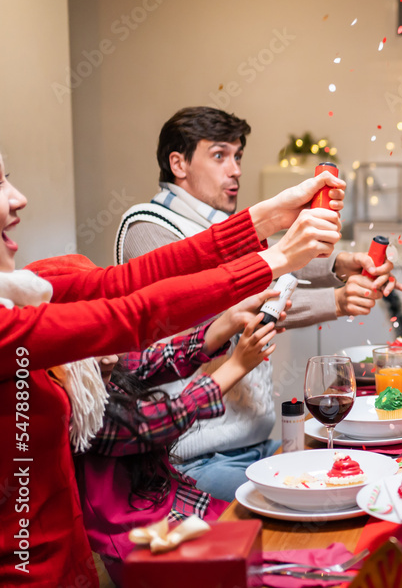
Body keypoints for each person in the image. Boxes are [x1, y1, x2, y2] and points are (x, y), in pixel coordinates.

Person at [0, 152, 343, 587]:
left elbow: (128, 284)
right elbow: (133, 315)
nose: (19, 198)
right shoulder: (13, 321)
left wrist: (267, 217)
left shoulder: (21, 293)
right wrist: (272, 262)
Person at [114, 106, 398, 500]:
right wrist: (335, 299)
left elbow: (265, 264)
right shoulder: (148, 225)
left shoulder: (212, 225)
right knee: (327, 500)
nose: (235, 170)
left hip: (252, 443)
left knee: (356, 477)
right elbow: (231, 304)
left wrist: (339, 264)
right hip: (196, 458)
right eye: (219, 156)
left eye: (238, 156)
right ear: (178, 163)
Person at [77, 292, 282, 585]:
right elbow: (159, 421)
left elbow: (161, 358)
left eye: (109, 339)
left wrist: (229, 320)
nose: (110, 357)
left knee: (266, 546)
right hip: (143, 544)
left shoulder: (106, 369)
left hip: (173, 505)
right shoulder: (79, 411)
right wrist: (237, 365)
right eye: (91, 346)